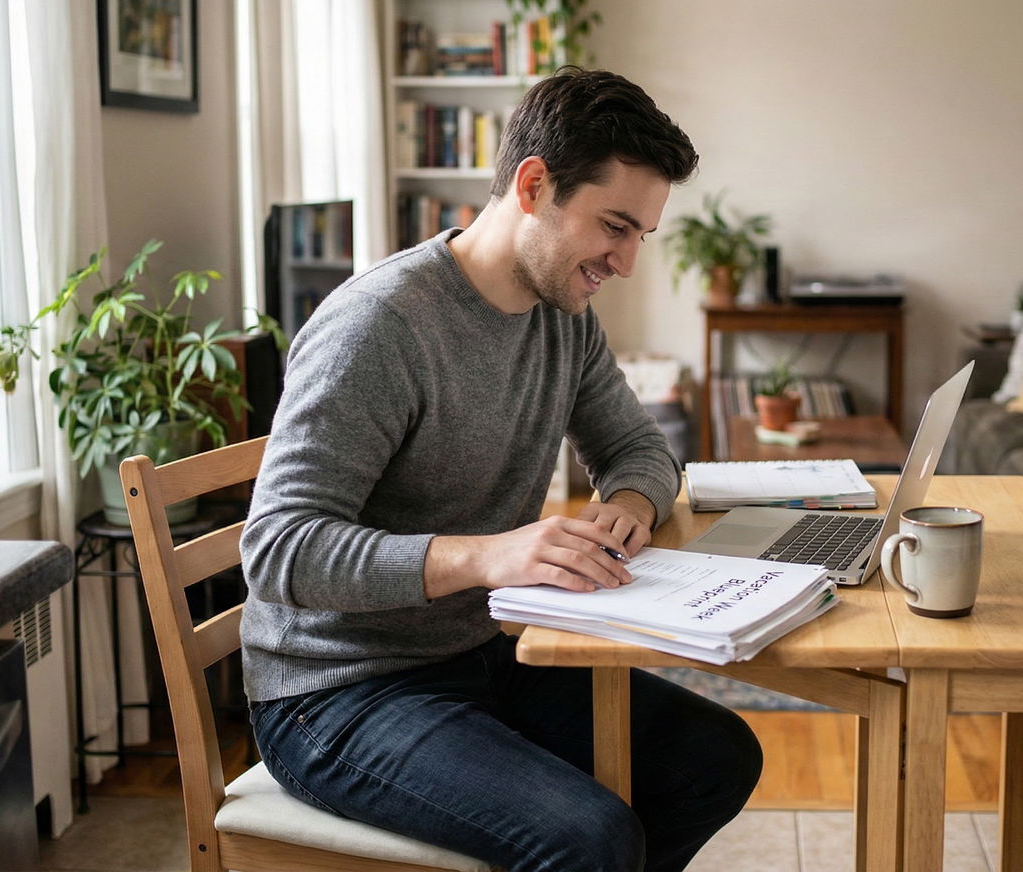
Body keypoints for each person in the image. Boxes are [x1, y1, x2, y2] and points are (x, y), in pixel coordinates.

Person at [240, 67, 763, 872]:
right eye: (614, 227)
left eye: (640, 237)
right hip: (337, 692)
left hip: (481, 652)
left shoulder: (563, 318)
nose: (624, 263)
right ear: (533, 184)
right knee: (588, 839)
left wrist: (629, 499)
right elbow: (279, 549)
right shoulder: (379, 328)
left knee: (715, 756)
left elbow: (641, 449)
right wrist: (487, 556)